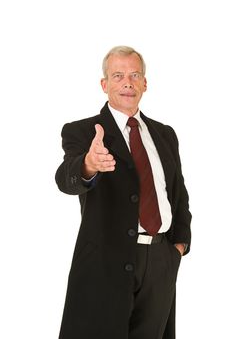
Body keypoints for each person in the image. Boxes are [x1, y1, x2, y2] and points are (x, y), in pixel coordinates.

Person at [55, 45, 192, 339]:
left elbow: (178, 194)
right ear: (104, 85)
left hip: (160, 259)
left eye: (134, 75)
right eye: (118, 75)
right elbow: (66, 178)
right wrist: (88, 165)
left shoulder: (165, 134)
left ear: (145, 83)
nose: (127, 82)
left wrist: (177, 247)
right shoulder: (83, 131)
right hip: (106, 261)